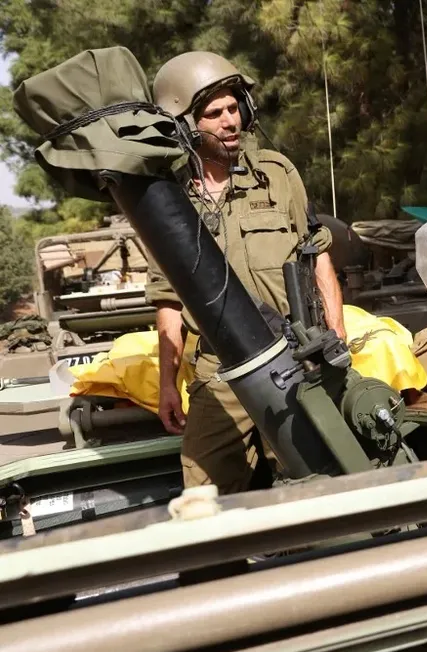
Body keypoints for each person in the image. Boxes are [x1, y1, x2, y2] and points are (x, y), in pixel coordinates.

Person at [145, 51, 347, 494]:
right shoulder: (169, 199)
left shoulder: (278, 174)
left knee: (317, 487)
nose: (229, 121)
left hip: (296, 358)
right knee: (203, 498)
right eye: (214, 114)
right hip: (221, 370)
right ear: (185, 125)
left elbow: (317, 254)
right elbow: (168, 301)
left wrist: (336, 333)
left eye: (234, 108)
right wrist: (167, 385)